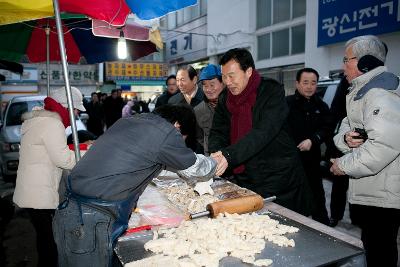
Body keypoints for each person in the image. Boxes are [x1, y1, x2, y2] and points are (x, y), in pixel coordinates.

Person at [53, 104, 217, 267]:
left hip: (71, 211)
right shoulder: (165, 133)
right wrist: (216, 161)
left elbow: (140, 160)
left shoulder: (129, 122)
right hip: (91, 220)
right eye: (183, 137)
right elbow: (196, 169)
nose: (180, 142)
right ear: (178, 126)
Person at [209, 48, 311, 216]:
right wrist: (218, 154)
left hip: (278, 176)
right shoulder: (225, 98)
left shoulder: (271, 92)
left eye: (231, 76)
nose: (227, 82)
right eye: (224, 77)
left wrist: (228, 155)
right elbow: (218, 131)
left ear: (248, 71)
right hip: (245, 176)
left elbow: (263, 131)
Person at [330, 35, 400, 267]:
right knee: (373, 248)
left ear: (364, 62)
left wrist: (342, 165)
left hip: (384, 195)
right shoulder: (361, 91)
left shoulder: (381, 92)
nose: (343, 66)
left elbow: (383, 146)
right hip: (373, 190)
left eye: (346, 59)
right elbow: (344, 129)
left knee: (381, 253)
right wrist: (347, 140)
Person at [13, 86, 86, 267]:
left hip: (31, 190)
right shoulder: (53, 124)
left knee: (43, 237)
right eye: (76, 108)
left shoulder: (40, 120)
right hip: (40, 194)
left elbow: (50, 150)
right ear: (66, 106)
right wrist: (86, 155)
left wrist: (79, 148)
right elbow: (64, 160)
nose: (77, 113)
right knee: (49, 242)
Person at [286, 68, 333, 225]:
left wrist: (313, 140)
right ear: (297, 83)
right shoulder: (287, 104)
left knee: (318, 201)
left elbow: (327, 128)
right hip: (291, 165)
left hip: (312, 163)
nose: (309, 86)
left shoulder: (321, 106)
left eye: (313, 83)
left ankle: (324, 233)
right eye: (305, 82)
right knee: (294, 205)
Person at [324, 76, 350, 227]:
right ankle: (335, 215)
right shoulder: (344, 84)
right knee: (340, 183)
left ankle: (356, 217)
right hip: (341, 142)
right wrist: (332, 147)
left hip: (364, 143)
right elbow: (333, 117)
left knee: (357, 183)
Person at [194, 64, 225, 155]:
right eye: (205, 86)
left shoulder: (233, 105)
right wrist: (208, 146)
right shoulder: (198, 110)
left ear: (223, 83)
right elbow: (199, 135)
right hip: (212, 160)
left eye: (212, 85)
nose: (208, 89)